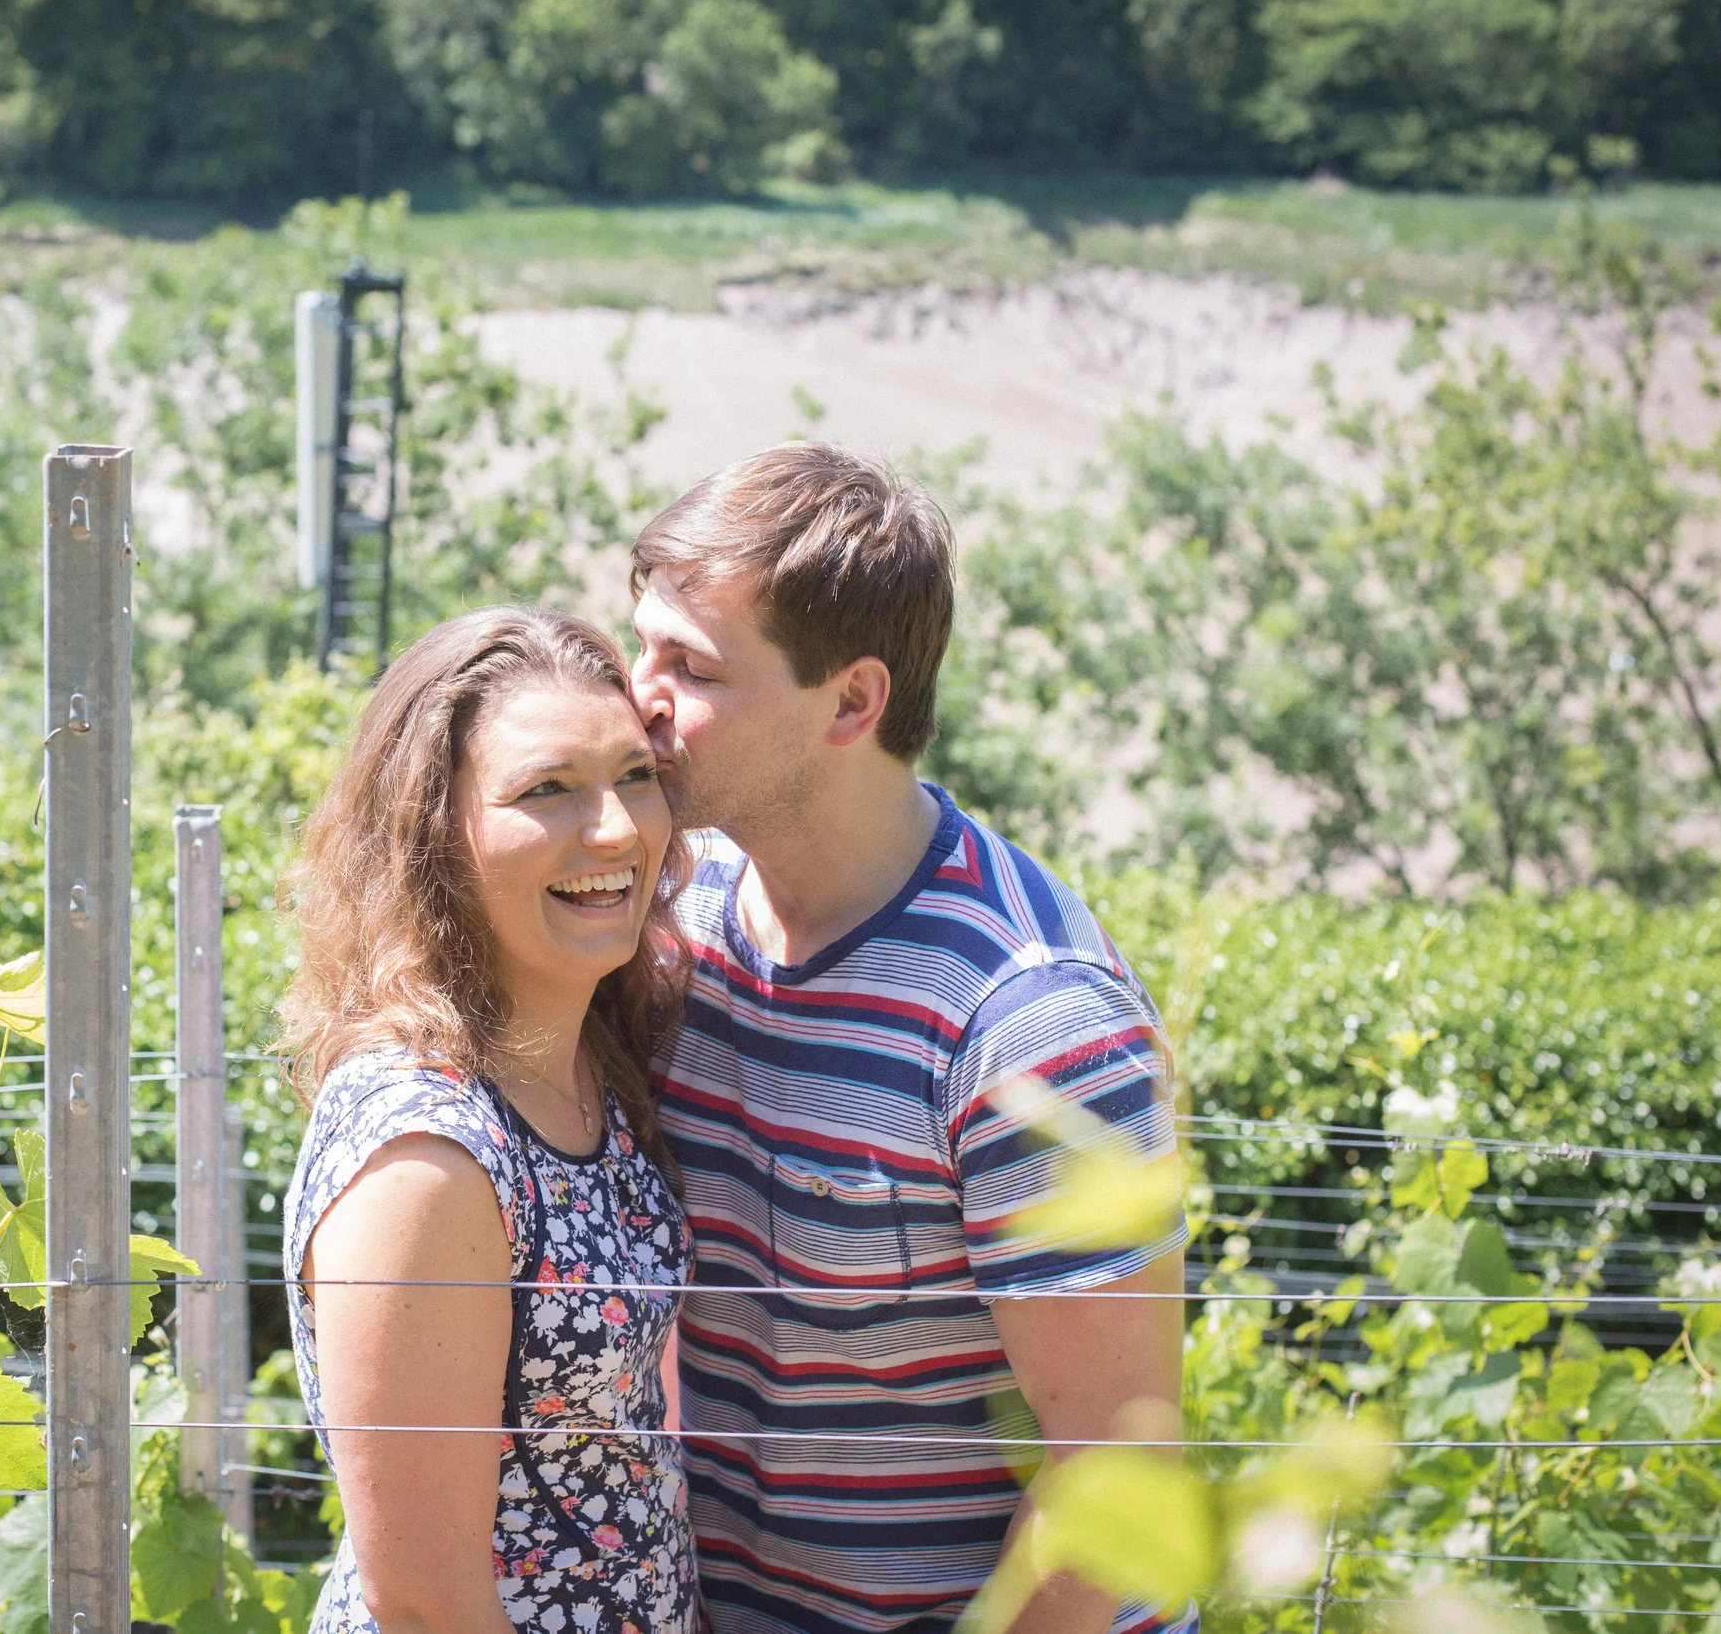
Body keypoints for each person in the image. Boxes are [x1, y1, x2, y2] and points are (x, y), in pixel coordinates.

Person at [627, 443, 1193, 1634]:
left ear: (852, 701)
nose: (642, 696)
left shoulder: (1030, 1022)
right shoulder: (678, 920)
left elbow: (1114, 1473)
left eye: (692, 665)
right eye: (644, 647)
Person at [279, 607, 703, 1634]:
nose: (615, 828)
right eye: (546, 789)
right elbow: (428, 1604)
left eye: (635, 774)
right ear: (432, 831)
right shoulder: (426, 1150)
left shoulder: (593, 1059)